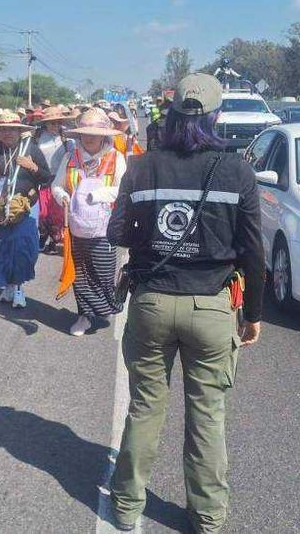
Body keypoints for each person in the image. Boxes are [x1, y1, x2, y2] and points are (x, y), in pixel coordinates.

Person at [106, 73, 264, 533]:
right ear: (217, 116)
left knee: (145, 407)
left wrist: (151, 238)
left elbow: (117, 232)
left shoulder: (141, 166)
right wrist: (252, 315)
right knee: (207, 415)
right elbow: (253, 252)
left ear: (171, 112)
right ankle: (208, 518)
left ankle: (126, 505)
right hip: (211, 307)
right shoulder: (237, 171)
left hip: (153, 303)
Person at [52, 108, 128, 336]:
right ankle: (84, 315)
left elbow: (122, 190)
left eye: (94, 132)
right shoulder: (69, 157)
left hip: (104, 228)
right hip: (76, 227)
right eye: (85, 132)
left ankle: (104, 306)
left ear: (104, 134)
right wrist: (62, 196)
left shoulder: (116, 157)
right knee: (81, 274)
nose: (89, 137)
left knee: (103, 272)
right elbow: (57, 185)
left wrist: (98, 195)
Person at [0, 112, 52, 308]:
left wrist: (33, 167)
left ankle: (19, 288)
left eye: (12, 129)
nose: (8, 133)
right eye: (3, 129)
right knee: (2, 248)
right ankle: (8, 286)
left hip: (24, 208)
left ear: (19, 131)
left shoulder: (32, 150)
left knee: (22, 249)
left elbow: (46, 178)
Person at [35, 105, 75, 253]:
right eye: (52, 122)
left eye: (58, 122)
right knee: (42, 212)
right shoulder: (37, 137)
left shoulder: (66, 139)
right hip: (42, 179)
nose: (55, 125)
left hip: (59, 180)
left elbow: (72, 158)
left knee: (57, 212)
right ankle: (43, 235)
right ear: (45, 123)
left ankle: (53, 241)